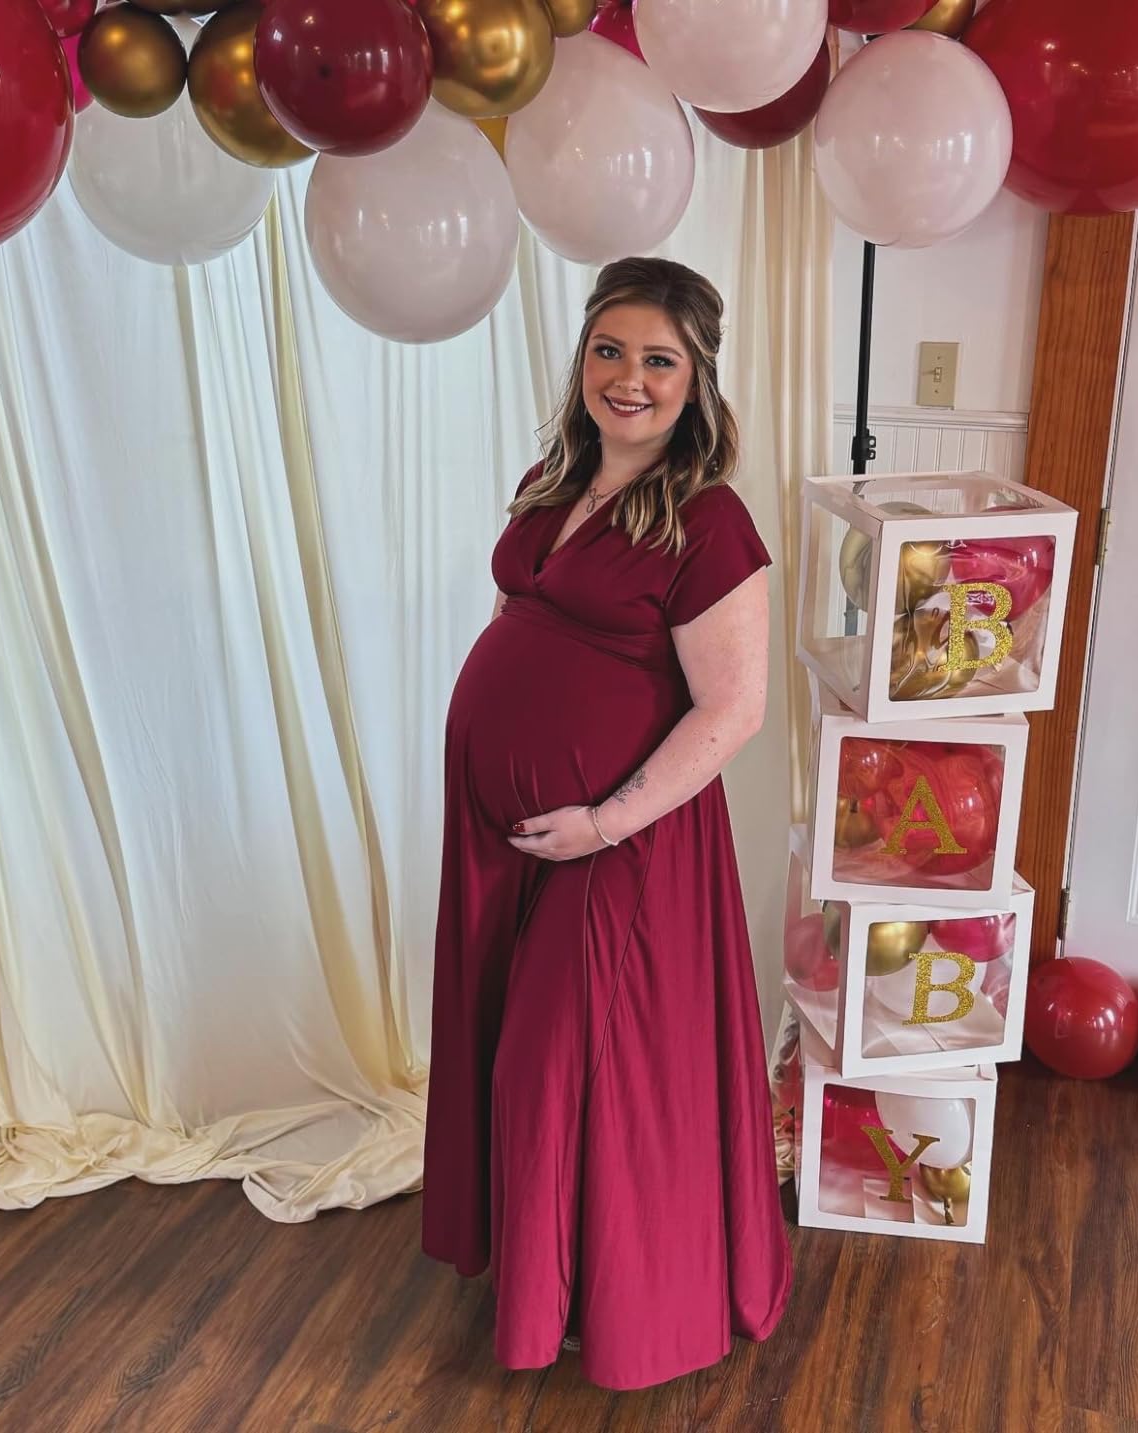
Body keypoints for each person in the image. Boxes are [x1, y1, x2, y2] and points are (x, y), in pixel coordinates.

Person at [421, 256, 791, 1390]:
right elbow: (522, 613)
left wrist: (603, 820)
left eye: (658, 360)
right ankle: (554, 1276)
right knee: (521, 1053)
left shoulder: (710, 522)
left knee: (567, 1069)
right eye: (609, 350)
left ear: (697, 380)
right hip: (511, 838)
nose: (628, 377)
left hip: (619, 843)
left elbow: (733, 709)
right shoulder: (553, 477)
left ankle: (613, 1303)